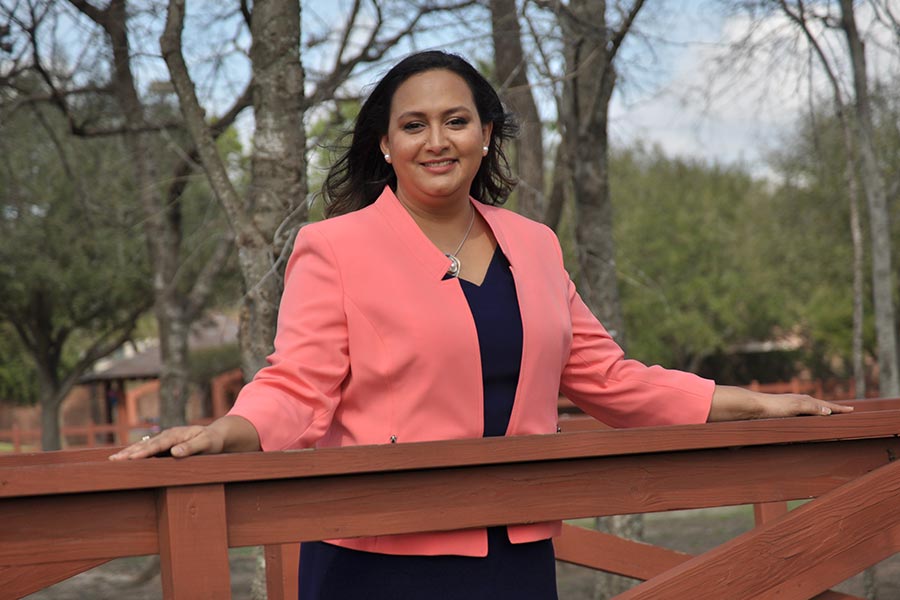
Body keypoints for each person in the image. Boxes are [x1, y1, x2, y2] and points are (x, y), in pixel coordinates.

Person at [110, 50, 851, 599]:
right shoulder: (334, 248)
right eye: (414, 125)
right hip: (378, 560)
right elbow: (298, 386)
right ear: (385, 144)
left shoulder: (535, 243)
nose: (437, 139)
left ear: (486, 134)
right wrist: (229, 433)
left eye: (456, 120)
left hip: (517, 552)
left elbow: (609, 379)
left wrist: (752, 402)